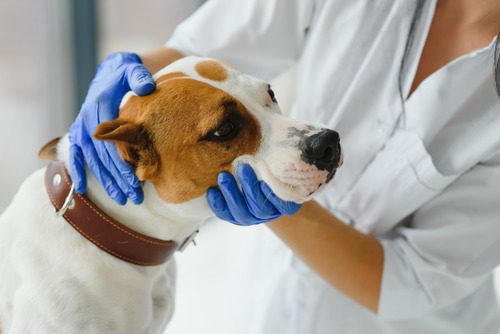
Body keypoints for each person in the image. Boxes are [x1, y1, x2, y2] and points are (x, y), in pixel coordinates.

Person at [68, 0, 500, 332]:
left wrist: (279, 194)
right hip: (263, 299)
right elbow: (204, 52)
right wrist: (128, 78)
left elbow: (413, 279)